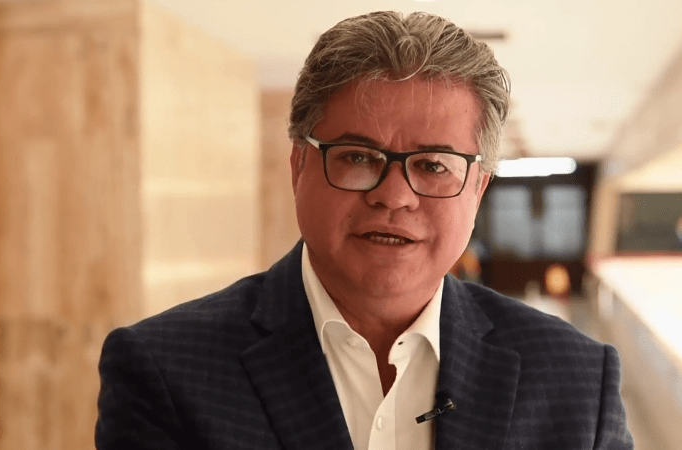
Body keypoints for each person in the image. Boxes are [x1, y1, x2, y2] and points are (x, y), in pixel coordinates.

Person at [96, 11, 634, 449]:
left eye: (433, 165)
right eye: (357, 157)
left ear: (478, 189)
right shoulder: (166, 369)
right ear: (298, 167)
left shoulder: (576, 381)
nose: (394, 195)